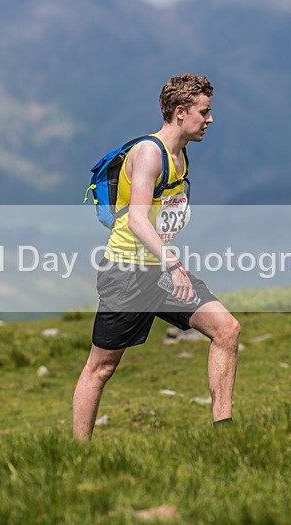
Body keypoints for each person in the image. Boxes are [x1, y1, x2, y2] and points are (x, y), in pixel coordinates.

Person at [72, 73, 241, 441]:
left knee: (226, 329)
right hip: (127, 273)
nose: (210, 120)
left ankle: (225, 438)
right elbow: (135, 219)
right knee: (101, 367)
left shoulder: (180, 155)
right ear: (180, 112)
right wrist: (173, 265)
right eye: (204, 112)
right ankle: (77, 455)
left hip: (159, 271)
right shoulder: (150, 153)